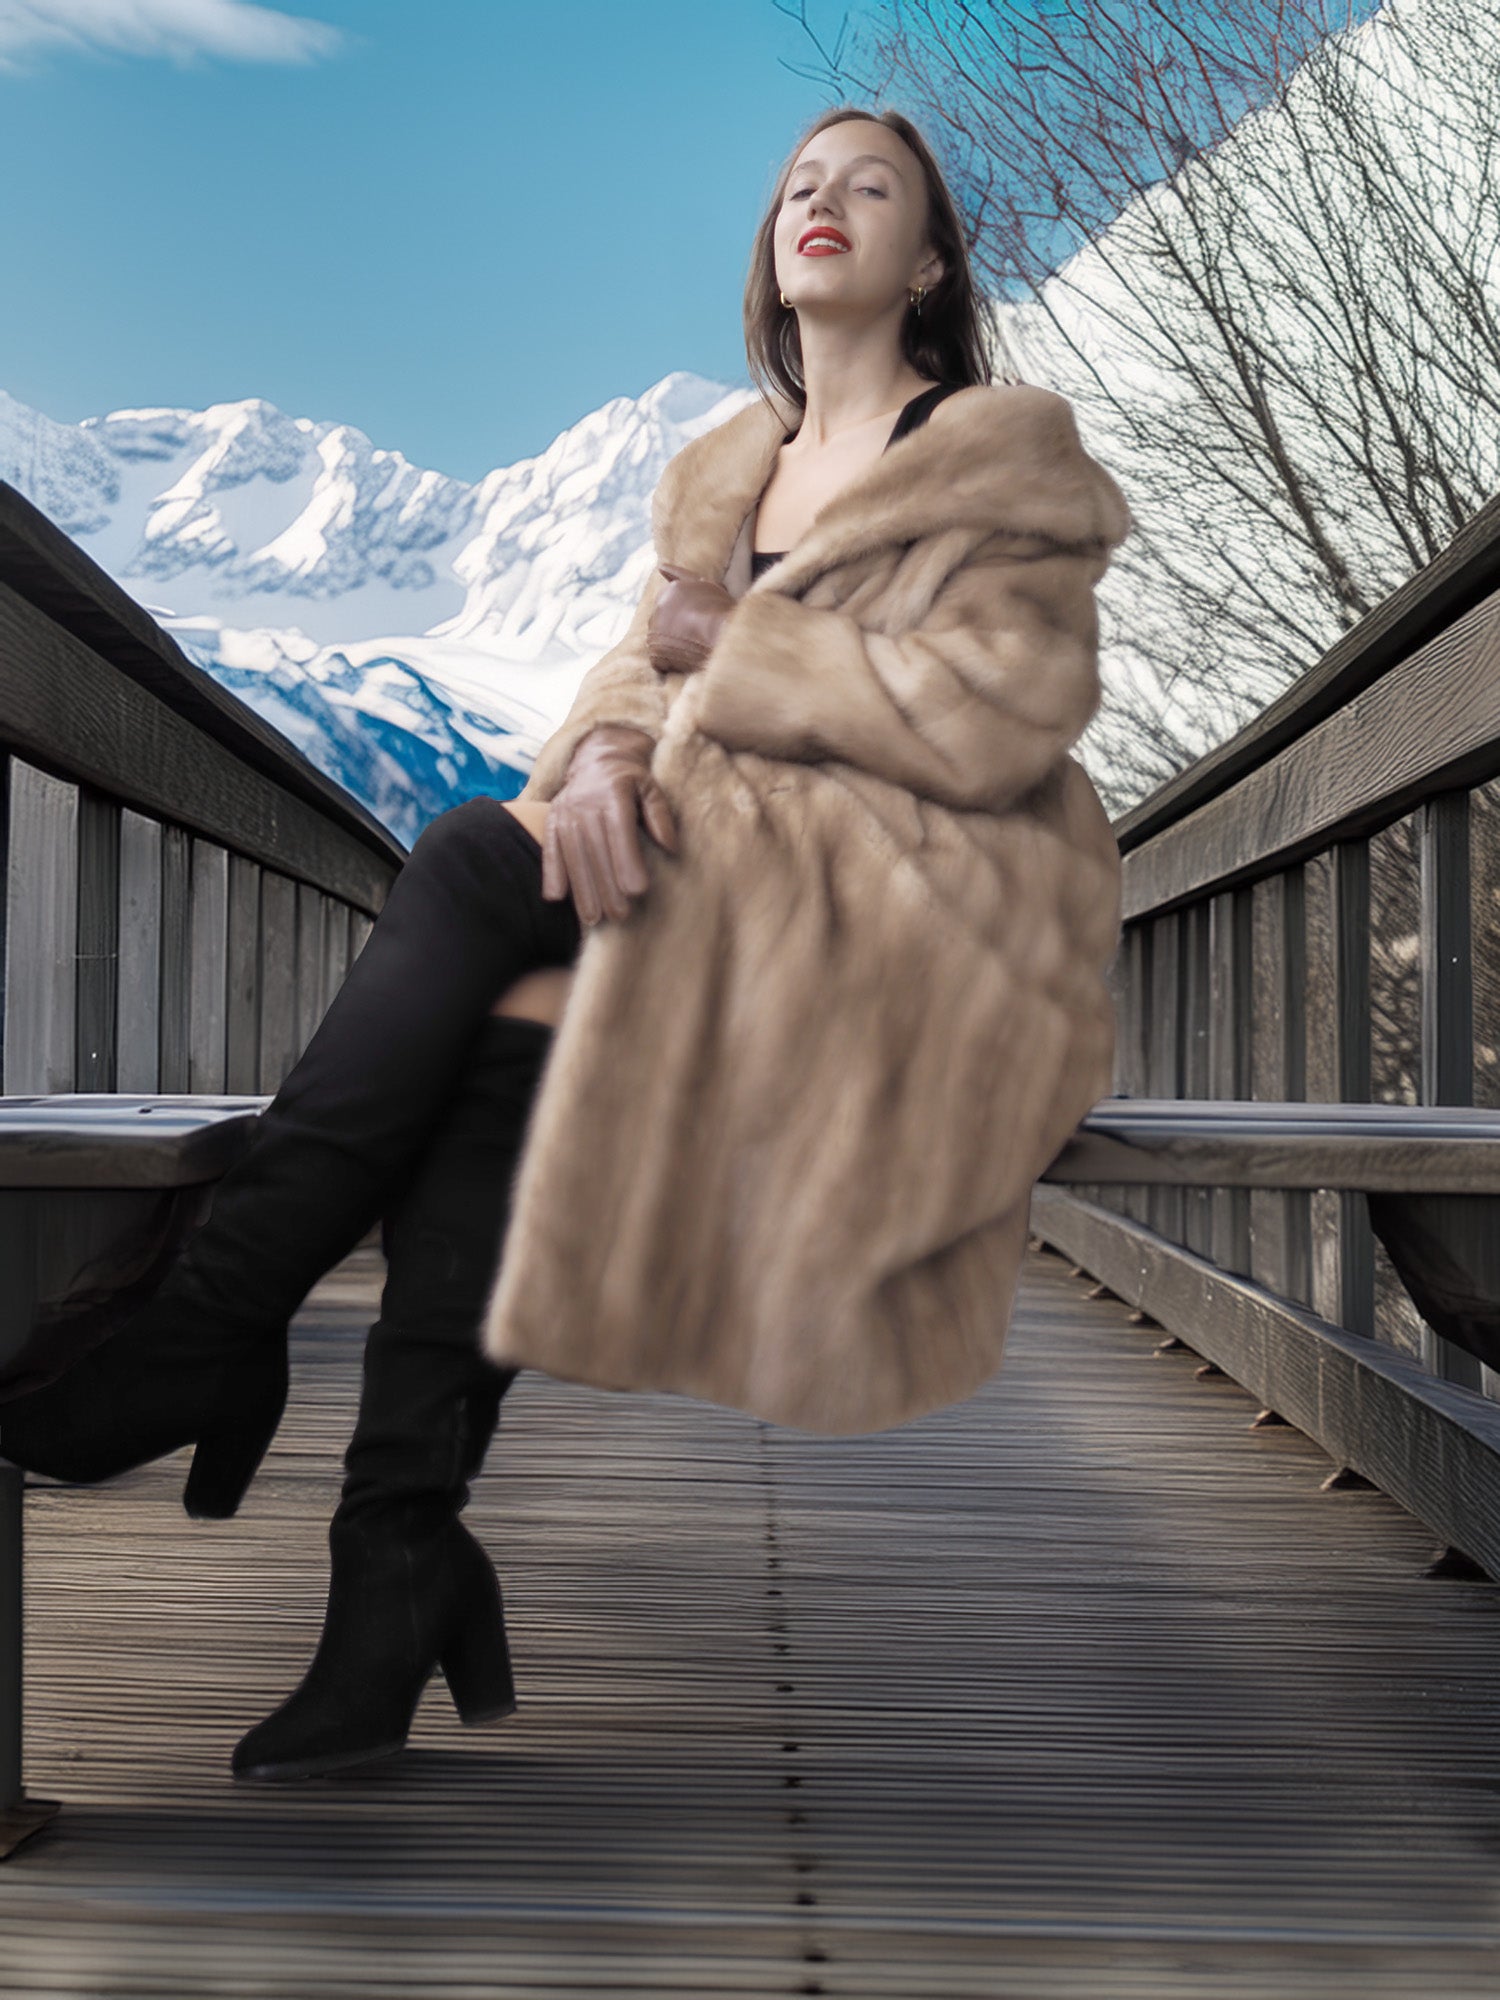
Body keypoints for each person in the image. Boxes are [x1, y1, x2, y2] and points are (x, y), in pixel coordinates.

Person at [0, 105, 1130, 1781]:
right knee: (512, 1008)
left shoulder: (996, 453)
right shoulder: (720, 471)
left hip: (912, 911)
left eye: (867, 187)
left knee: (467, 860)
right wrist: (605, 753)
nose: (820, 205)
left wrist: (733, 643)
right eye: (796, 186)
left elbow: (1006, 714)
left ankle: (198, 1334)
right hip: (724, 874)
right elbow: (632, 676)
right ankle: (390, 1567)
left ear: (933, 258)